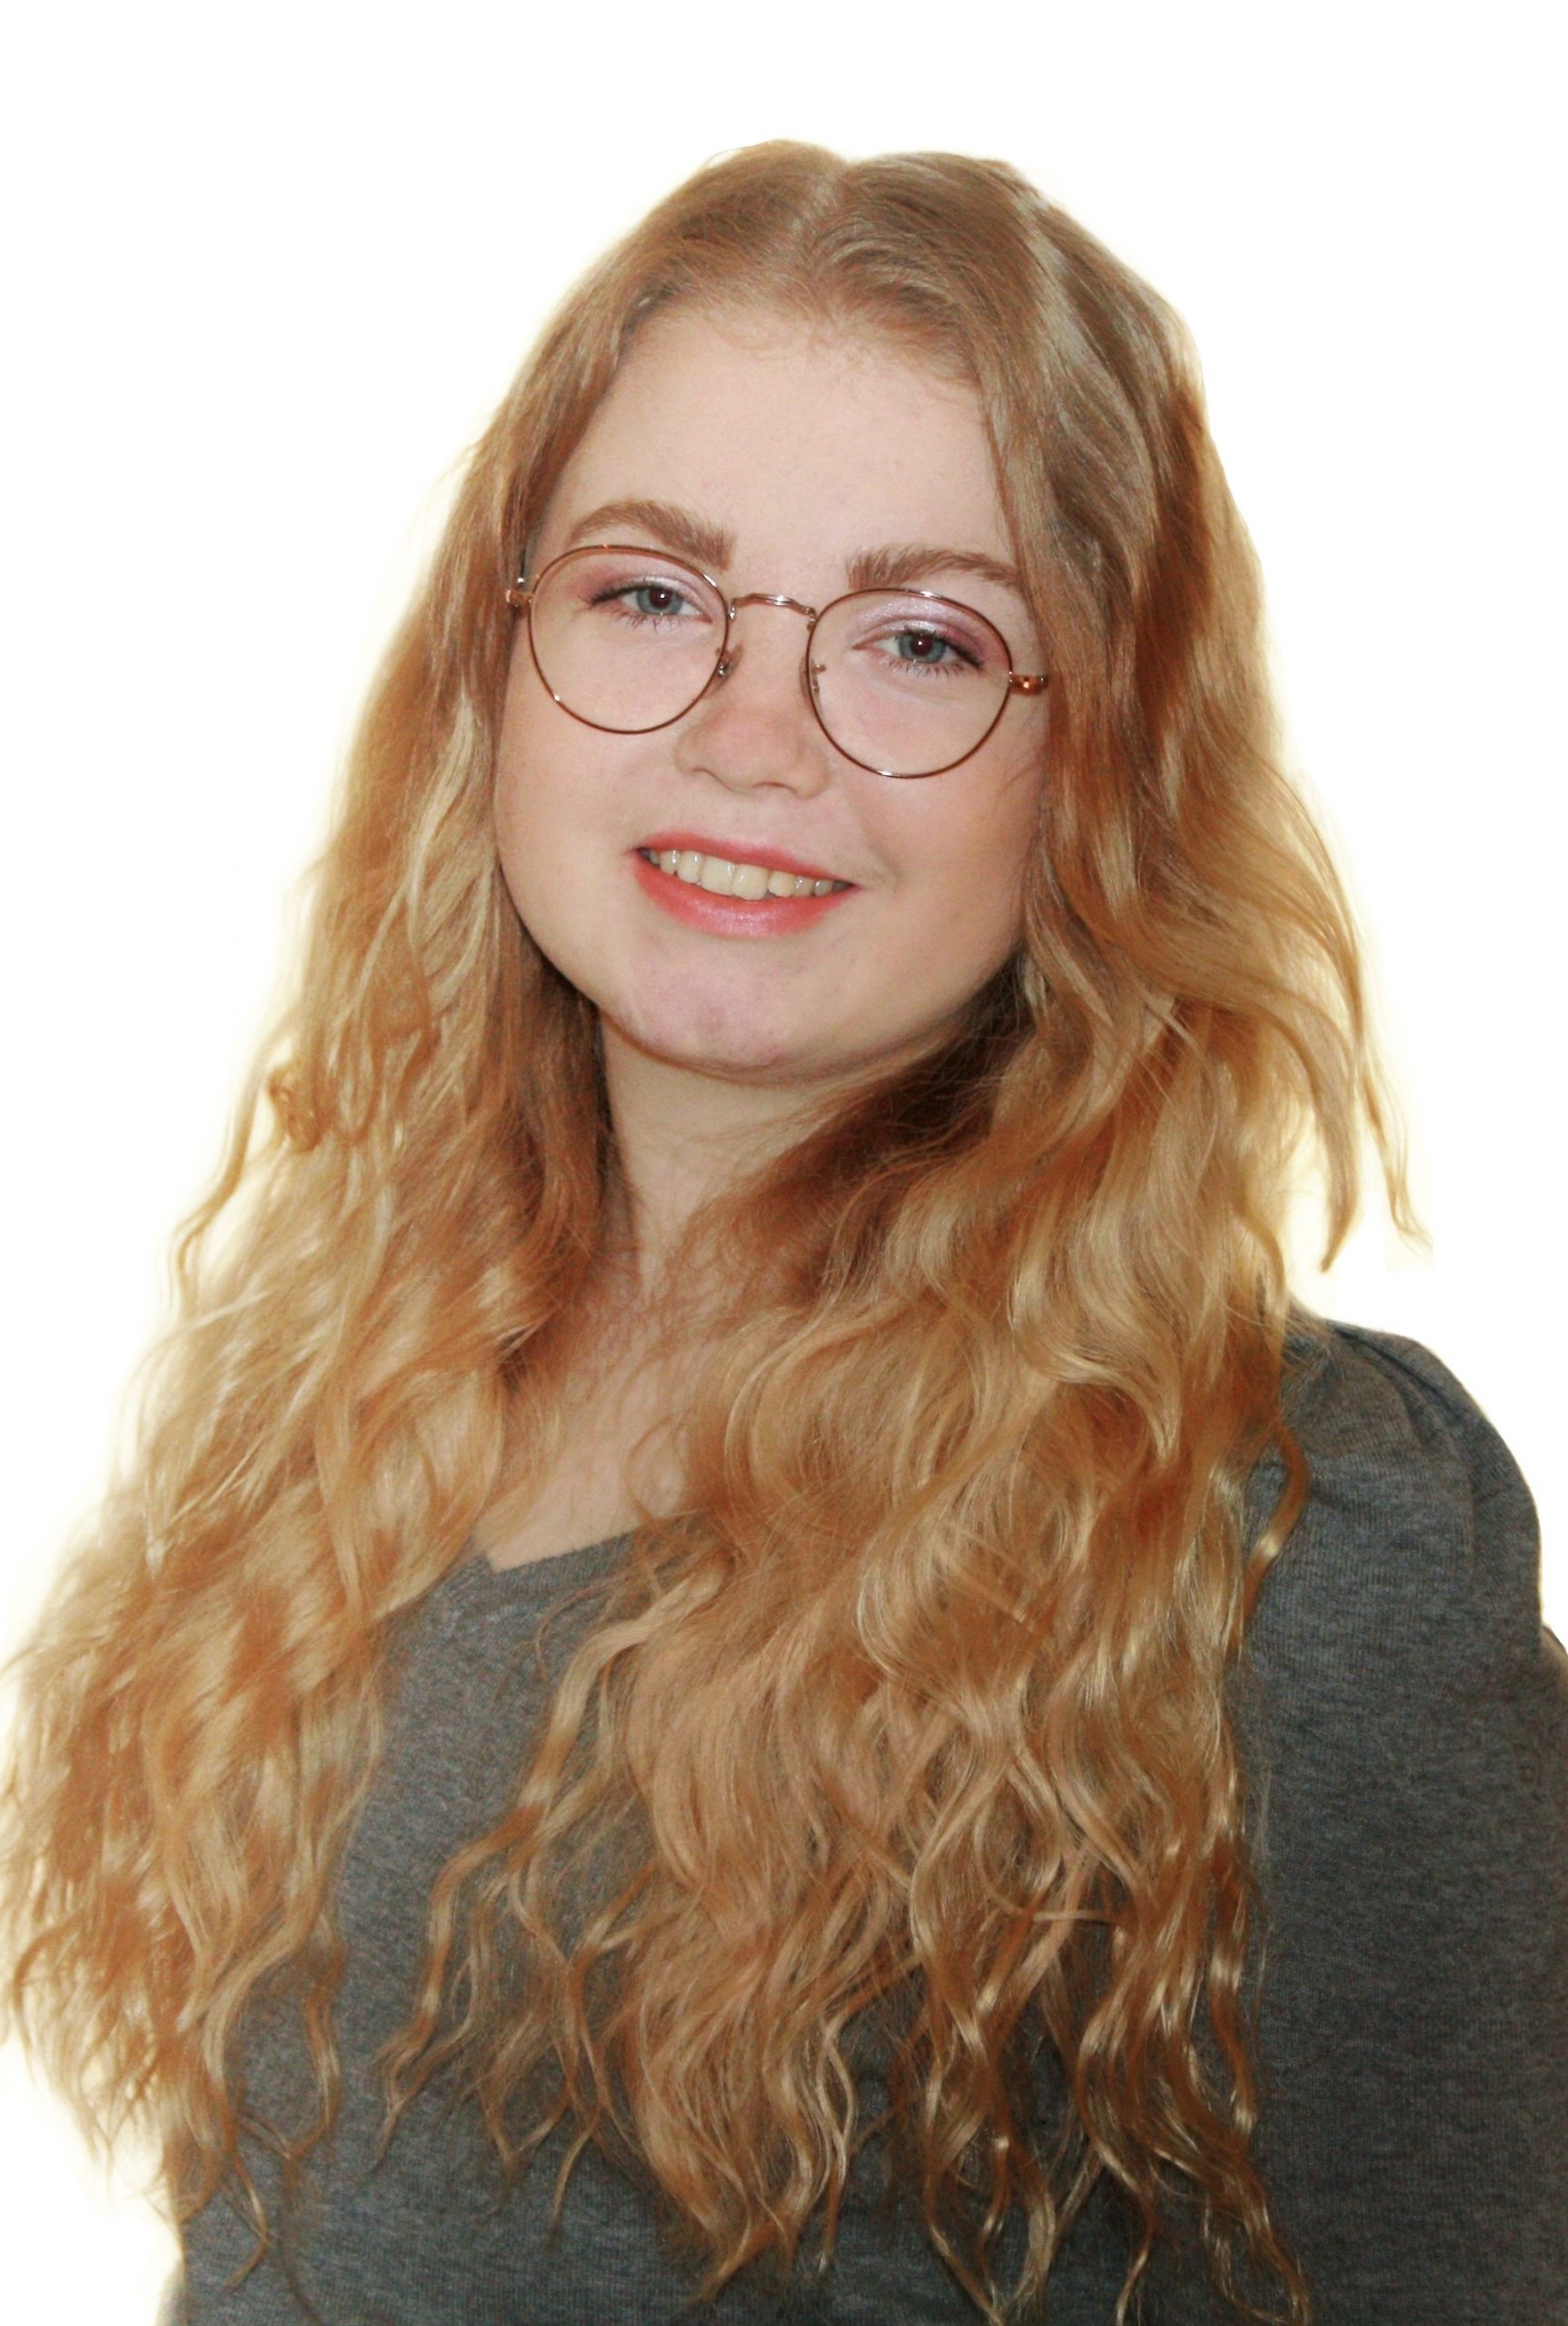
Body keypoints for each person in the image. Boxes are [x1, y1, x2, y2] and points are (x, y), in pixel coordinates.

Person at [2, 141, 1563, 2326]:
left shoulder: (1278, 1533)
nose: (749, 738)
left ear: (1097, 766)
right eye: (651, 594)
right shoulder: (356, 1386)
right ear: (497, 661)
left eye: (921, 640)